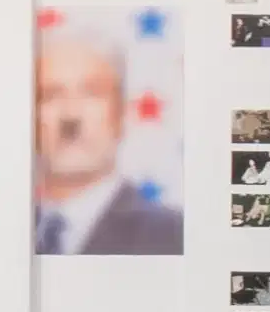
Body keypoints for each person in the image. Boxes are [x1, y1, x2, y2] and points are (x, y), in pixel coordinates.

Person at [29, 26, 177, 255]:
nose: (71, 115)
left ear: (119, 114)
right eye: (51, 94)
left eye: (91, 93)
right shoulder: (1, 230)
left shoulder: (173, 236)